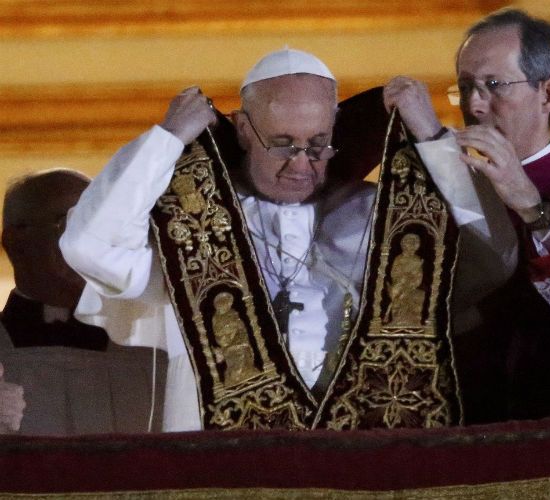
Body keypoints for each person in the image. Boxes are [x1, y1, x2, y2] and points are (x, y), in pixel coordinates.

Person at [60, 48, 518, 431]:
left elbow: (493, 258)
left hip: (361, 463)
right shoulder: (187, 230)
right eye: (282, 143)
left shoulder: (379, 218)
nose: (301, 165)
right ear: (242, 129)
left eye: (318, 144)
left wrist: (433, 138)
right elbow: (90, 246)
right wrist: (168, 138)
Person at [384, 8, 550, 423]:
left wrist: (436, 142)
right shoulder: (438, 188)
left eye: (494, 85)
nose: (475, 105)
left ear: (548, 94)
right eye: (465, 87)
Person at [1, 168, 165, 435]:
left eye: (99, 225)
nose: (91, 242)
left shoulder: (153, 352)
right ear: (16, 242)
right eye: (70, 223)